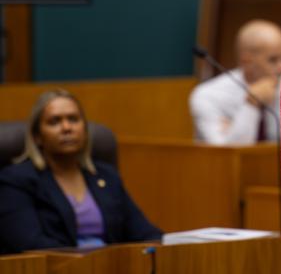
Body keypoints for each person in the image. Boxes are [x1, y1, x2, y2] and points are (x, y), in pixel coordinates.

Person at [0, 89, 161, 254]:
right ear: (37, 136)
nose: (66, 128)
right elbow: (31, 245)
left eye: (73, 119)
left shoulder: (106, 176)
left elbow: (145, 233)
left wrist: (167, 245)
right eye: (54, 122)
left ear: (84, 130)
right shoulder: (16, 181)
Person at [189, 19, 281, 145]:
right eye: (273, 60)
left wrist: (233, 128)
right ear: (246, 61)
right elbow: (225, 154)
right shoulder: (208, 95)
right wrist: (251, 104)